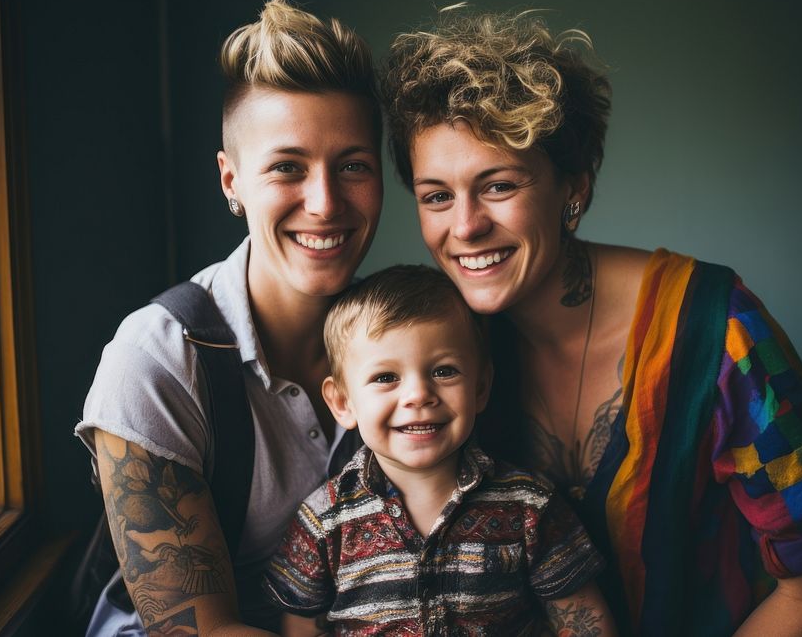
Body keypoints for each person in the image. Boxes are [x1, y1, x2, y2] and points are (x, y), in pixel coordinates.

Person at [381, 8, 802, 635]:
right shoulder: (433, 347)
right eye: (436, 196)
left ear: (573, 188)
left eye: (498, 186)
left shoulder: (717, 330)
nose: (465, 226)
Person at [74, 0, 382, 636]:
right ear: (230, 181)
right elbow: (199, 631)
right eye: (286, 168)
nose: (324, 203)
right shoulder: (156, 358)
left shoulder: (401, 337)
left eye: (352, 165)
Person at [263, 265, 616, 636]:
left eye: (444, 371)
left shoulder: (530, 506)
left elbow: (583, 618)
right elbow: (301, 625)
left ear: (480, 388)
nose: (418, 395)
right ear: (343, 402)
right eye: (386, 378)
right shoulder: (323, 522)